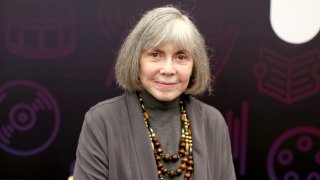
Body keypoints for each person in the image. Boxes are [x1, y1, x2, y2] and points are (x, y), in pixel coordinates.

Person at [73, 5, 236, 180]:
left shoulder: (213, 122)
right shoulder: (102, 121)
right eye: (155, 55)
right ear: (136, 60)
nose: (168, 69)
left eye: (181, 57)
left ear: (194, 65)